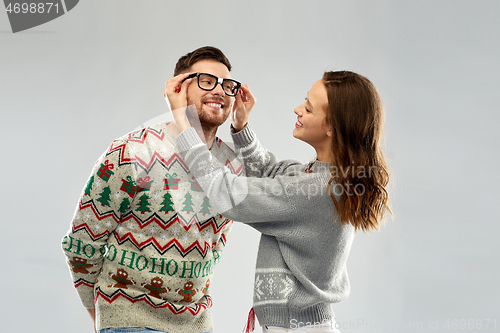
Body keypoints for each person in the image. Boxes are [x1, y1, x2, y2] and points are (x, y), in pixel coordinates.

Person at [165, 70, 392, 332]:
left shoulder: (317, 190)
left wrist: (182, 121)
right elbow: (270, 174)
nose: (297, 109)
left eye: (308, 108)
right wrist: (241, 128)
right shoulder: (323, 178)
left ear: (332, 126)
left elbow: (225, 192)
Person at [62, 46, 244, 333]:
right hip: (130, 322)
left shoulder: (231, 165)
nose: (220, 90)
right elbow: (82, 245)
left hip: (198, 325)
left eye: (227, 85)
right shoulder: (132, 152)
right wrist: (103, 317)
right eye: (207, 81)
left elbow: (214, 247)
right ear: (179, 88)